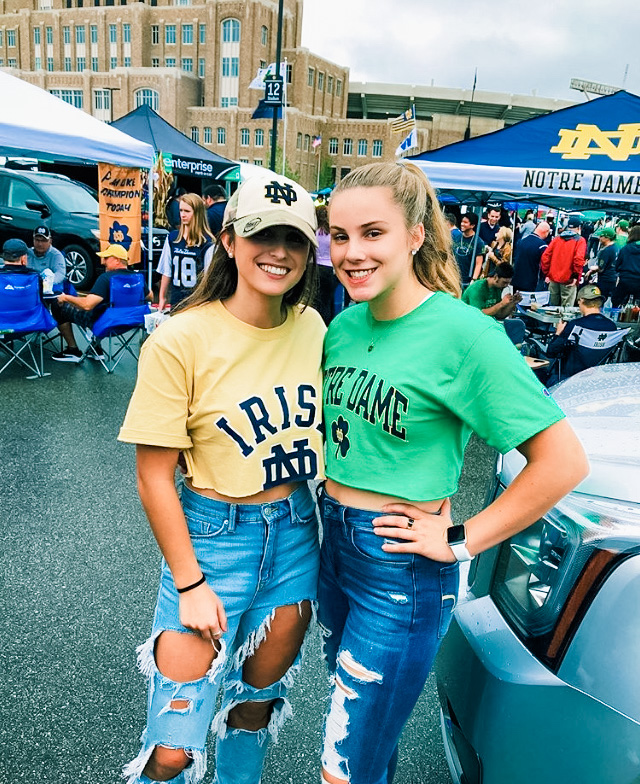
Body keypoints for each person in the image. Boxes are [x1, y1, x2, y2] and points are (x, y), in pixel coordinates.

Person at [319, 161, 588, 784]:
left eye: (372, 233)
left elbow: (562, 461)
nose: (352, 253)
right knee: (366, 745)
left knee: (342, 765)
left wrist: (462, 540)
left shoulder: (466, 336)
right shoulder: (344, 326)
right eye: (339, 235)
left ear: (416, 235)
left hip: (401, 568)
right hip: (334, 549)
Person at [118, 174, 325, 784]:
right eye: (262, 234)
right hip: (211, 541)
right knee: (173, 748)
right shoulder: (181, 338)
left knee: (253, 712)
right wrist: (189, 582)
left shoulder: (314, 328)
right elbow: (154, 477)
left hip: (295, 535)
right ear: (229, 241)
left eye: (294, 238)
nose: (279, 251)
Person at [50, 243, 151, 362]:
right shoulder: (137, 278)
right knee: (101, 307)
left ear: (117, 260)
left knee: (57, 306)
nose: (103, 262)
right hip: (132, 321)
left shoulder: (106, 278)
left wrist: (66, 298)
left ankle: (73, 350)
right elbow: (150, 297)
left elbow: (87, 305)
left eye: (107, 258)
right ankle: (96, 349)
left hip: (108, 322)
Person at [545, 284, 617, 385]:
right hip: (596, 378)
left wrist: (558, 332)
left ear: (581, 301)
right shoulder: (611, 326)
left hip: (569, 378)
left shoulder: (576, 325)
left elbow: (551, 351)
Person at [157, 193, 215, 311]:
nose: (182, 215)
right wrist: (162, 297)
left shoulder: (208, 243)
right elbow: (166, 271)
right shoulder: (173, 238)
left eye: (187, 211)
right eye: (181, 210)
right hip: (176, 300)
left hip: (197, 303)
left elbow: (209, 279)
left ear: (197, 213)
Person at [540, 215, 586, 307]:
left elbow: (545, 256)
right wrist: (575, 276)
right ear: (579, 228)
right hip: (568, 279)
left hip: (553, 278)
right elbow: (578, 259)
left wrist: (548, 273)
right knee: (566, 309)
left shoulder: (557, 238)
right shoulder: (580, 240)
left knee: (552, 308)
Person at [511, 221, 551, 292]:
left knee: (516, 298)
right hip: (532, 282)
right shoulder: (542, 246)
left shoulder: (522, 241)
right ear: (546, 232)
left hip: (517, 279)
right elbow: (545, 264)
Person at [313, 204, 336, 325]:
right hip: (329, 268)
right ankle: (328, 324)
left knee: (316, 300)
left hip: (315, 267)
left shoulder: (314, 232)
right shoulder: (331, 234)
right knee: (328, 300)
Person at [26, 225, 66, 292]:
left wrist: (45, 284)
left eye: (44, 241)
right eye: (37, 240)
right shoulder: (27, 254)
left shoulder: (56, 255)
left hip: (48, 287)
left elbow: (60, 274)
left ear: (50, 241)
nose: (40, 244)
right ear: (33, 240)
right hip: (30, 287)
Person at [612, 223, 640, 307]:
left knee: (616, 302)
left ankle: (616, 314)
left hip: (625, 280)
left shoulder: (625, 248)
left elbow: (617, 265)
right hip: (639, 281)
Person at [587, 227, 618, 301]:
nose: (599, 238)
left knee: (599, 299)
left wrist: (590, 271)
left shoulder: (606, 250)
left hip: (605, 279)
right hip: (613, 277)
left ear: (607, 238)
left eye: (601, 236)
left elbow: (601, 268)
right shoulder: (616, 247)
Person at [452, 211, 481, 285]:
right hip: (454, 277)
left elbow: (478, 263)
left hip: (467, 280)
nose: (462, 224)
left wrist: (474, 279)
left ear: (472, 225)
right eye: (462, 222)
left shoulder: (478, 242)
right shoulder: (456, 237)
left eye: (465, 222)